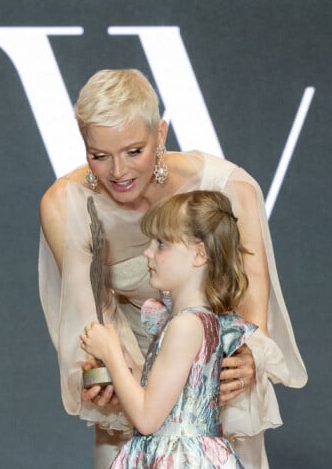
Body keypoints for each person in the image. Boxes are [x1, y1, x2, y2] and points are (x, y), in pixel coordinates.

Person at [39, 69, 307, 468]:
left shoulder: (227, 188)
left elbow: (252, 311)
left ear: (160, 133)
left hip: (215, 384)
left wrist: (250, 357)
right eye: (99, 156)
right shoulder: (68, 205)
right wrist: (104, 375)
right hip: (129, 387)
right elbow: (92, 321)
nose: (118, 172)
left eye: (134, 151)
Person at [80, 190, 258, 468]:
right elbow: (163, 394)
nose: (147, 252)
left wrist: (111, 351)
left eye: (161, 244)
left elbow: (148, 419)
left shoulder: (186, 326)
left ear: (200, 254)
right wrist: (115, 372)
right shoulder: (198, 321)